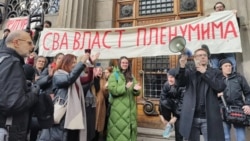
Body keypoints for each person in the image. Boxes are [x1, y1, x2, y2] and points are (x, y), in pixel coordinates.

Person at [38, 53, 91, 141]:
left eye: (75, 62)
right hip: (62, 114)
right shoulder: (58, 75)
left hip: (71, 115)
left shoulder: (75, 78)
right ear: (66, 63)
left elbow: (88, 79)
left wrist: (91, 64)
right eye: (73, 63)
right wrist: (81, 63)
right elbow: (69, 79)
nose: (74, 65)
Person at [178, 48, 226, 141]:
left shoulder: (216, 72)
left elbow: (220, 87)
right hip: (191, 117)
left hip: (208, 117)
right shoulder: (190, 72)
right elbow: (180, 83)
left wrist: (205, 73)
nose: (203, 57)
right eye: (200, 55)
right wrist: (182, 67)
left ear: (208, 58)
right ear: (195, 58)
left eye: (205, 55)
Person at [0, 30, 39, 141]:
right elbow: (13, 104)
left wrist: (23, 84)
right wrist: (34, 93)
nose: (33, 46)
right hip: (9, 130)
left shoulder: (3, 60)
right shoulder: (12, 62)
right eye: (29, 43)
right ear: (16, 43)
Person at [106, 56, 141, 141]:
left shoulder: (131, 76)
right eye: (123, 62)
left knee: (130, 131)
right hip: (118, 110)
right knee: (118, 133)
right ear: (119, 63)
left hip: (130, 110)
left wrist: (135, 90)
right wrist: (124, 87)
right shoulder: (114, 75)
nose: (125, 64)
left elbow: (135, 91)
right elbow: (112, 89)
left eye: (126, 63)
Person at [218, 59, 250, 141]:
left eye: (230, 66)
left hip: (238, 110)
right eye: (226, 66)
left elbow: (248, 93)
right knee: (226, 137)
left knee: (241, 138)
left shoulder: (239, 78)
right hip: (223, 110)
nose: (228, 67)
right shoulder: (217, 79)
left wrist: (247, 104)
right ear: (221, 68)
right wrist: (217, 95)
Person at [210, 1, 237, 72]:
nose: (219, 8)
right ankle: (216, 79)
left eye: (221, 7)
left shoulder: (229, 17)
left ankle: (233, 77)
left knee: (232, 62)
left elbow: (235, 26)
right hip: (215, 45)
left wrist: (234, 16)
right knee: (214, 63)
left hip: (227, 44)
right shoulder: (210, 18)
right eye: (217, 7)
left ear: (224, 8)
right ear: (215, 9)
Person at [159, 68, 183, 141]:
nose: (170, 79)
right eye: (169, 77)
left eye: (172, 77)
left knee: (179, 130)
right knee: (164, 102)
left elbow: (183, 103)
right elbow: (162, 99)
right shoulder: (166, 85)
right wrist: (161, 115)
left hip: (181, 108)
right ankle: (169, 124)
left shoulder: (181, 86)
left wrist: (175, 117)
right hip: (171, 105)